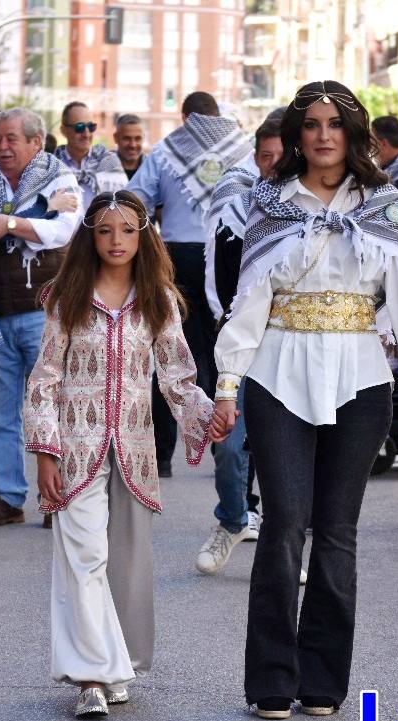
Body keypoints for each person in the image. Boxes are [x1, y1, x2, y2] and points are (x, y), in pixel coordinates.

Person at [213, 80, 398, 720]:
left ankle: (323, 679)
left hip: (360, 379)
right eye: (311, 124)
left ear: (354, 135)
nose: (323, 135)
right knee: (285, 526)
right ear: (296, 136)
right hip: (277, 375)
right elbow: (247, 303)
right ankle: (270, 678)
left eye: (334, 124)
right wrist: (227, 387)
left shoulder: (384, 205)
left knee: (338, 532)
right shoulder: (270, 202)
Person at [24, 191, 214, 718]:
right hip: (74, 448)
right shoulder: (67, 297)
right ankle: (90, 675)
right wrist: (44, 451)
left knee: (127, 562)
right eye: (106, 230)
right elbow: (44, 378)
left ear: (143, 235)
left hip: (134, 448)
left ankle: (120, 661)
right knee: (84, 556)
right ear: (90, 234)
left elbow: (177, 374)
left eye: (127, 230)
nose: (116, 241)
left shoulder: (158, 299)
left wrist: (207, 414)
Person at [0, 107, 82, 527]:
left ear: (36, 142)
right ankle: (8, 498)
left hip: (43, 313)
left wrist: (7, 222)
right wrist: (31, 219)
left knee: (52, 407)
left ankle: (57, 497)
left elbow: (62, 231)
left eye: (12, 138)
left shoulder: (62, 180)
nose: (3, 146)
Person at [127, 91, 251, 477]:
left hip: (176, 258)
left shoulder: (166, 151)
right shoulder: (242, 148)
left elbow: (134, 200)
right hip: (229, 255)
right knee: (225, 354)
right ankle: (224, 451)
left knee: (169, 356)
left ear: (185, 117)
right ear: (218, 115)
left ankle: (162, 456)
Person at [194, 110, 284, 576]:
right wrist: (220, 318)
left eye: (281, 156)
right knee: (229, 443)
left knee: (287, 449)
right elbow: (215, 266)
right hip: (242, 339)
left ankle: (284, 542)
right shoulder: (236, 195)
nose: (273, 164)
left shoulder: (311, 204)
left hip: (294, 343)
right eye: (265, 156)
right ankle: (232, 520)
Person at [56, 101, 129, 208]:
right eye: (79, 127)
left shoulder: (110, 163)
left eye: (91, 127)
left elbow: (124, 206)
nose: (86, 134)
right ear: (63, 131)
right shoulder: (50, 167)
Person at [112, 114, 146, 180]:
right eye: (126, 138)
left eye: (138, 138)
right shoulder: (99, 171)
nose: (133, 145)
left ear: (143, 138)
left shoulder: (155, 171)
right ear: (116, 138)